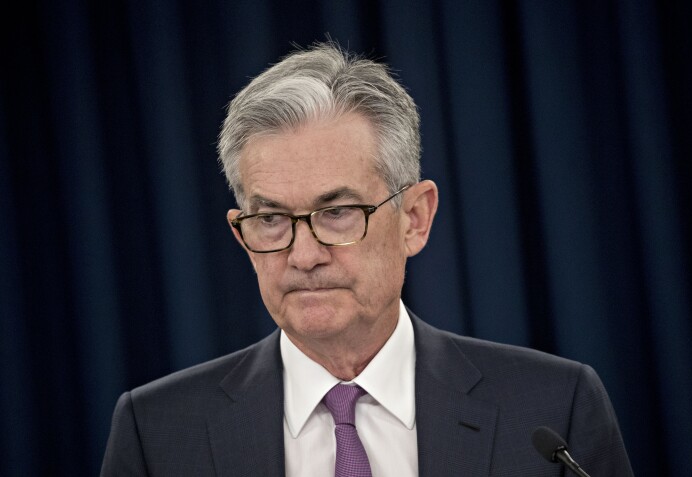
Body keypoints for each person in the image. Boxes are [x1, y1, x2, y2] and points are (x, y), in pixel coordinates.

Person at [100, 40, 633, 476]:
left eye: (337, 213)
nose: (303, 256)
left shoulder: (553, 409)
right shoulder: (157, 433)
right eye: (271, 219)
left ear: (414, 219)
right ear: (242, 236)